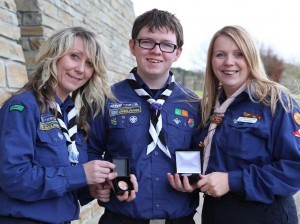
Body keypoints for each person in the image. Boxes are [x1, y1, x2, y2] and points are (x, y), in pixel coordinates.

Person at [169, 25, 300, 224]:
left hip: (263, 216)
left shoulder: (277, 102)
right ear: (211, 61)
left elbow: (294, 168)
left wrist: (232, 181)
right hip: (215, 214)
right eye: (220, 54)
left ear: (251, 57)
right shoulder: (208, 107)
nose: (229, 62)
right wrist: (189, 180)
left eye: (238, 54)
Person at [88, 8, 201, 224]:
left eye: (167, 45)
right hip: (121, 218)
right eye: (147, 42)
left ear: (177, 53)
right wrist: (102, 180)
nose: (156, 51)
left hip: (179, 219)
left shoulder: (193, 104)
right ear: (133, 46)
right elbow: (91, 149)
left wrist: (196, 180)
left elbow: (203, 153)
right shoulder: (106, 98)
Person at [0, 26, 118, 224]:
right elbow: (14, 178)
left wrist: (89, 186)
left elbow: (65, 176)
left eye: (89, 63)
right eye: (74, 56)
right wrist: (81, 174)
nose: (81, 69)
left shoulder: (71, 116)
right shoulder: (23, 107)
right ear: (54, 56)